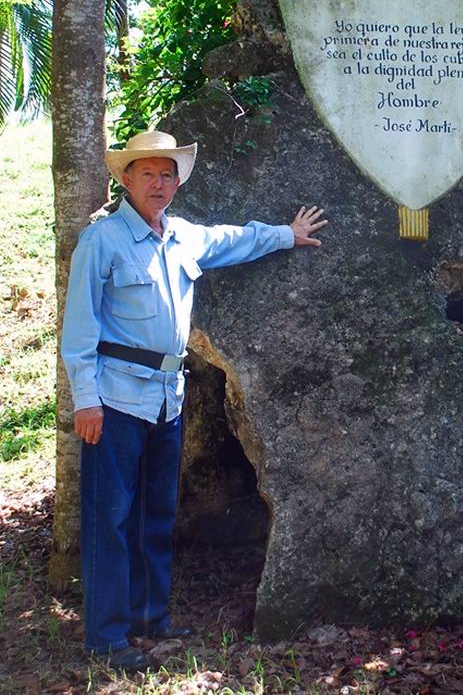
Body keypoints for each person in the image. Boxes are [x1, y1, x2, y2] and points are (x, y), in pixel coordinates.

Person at [61, 130, 327, 672]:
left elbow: (232, 240)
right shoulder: (102, 241)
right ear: (127, 179)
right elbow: (79, 330)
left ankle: (149, 617)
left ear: (177, 184)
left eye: (168, 175)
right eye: (148, 174)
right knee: (110, 518)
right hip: (115, 399)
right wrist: (85, 401)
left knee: (156, 513)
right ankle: (106, 638)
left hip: (167, 398)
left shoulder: (182, 236)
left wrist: (287, 234)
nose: (159, 184)